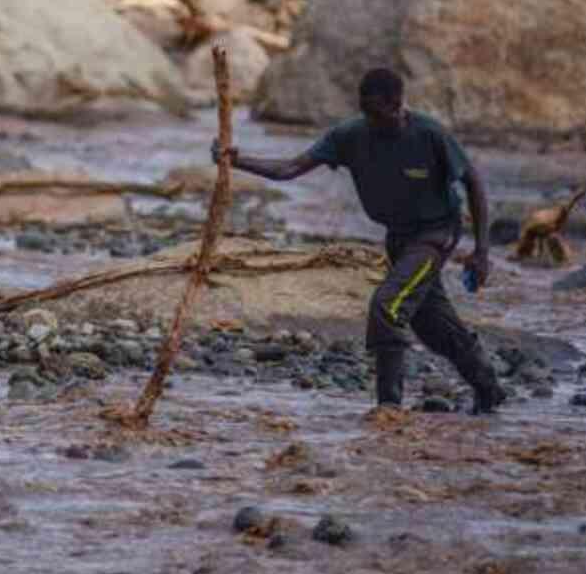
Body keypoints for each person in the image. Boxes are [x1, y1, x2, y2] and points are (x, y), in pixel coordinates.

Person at [211, 68, 507, 414]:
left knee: (388, 305)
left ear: (398, 104)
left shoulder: (429, 134)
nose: (373, 121)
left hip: (435, 235)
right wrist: (236, 160)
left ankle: (388, 407)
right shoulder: (348, 135)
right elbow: (289, 169)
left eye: (379, 113)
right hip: (398, 238)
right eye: (366, 112)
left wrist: (482, 252)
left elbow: (474, 183)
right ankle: (489, 388)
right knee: (430, 324)